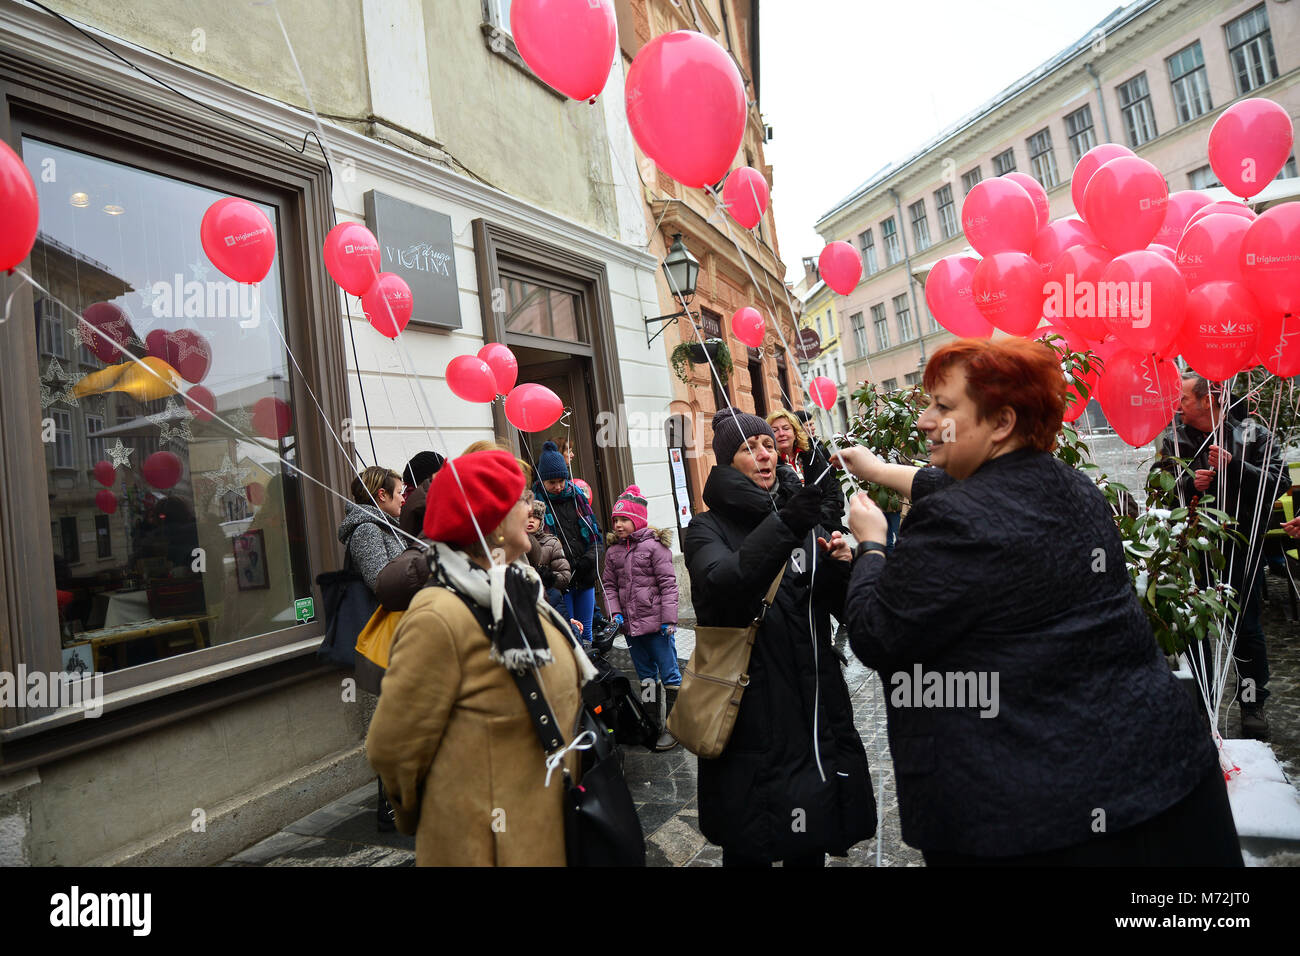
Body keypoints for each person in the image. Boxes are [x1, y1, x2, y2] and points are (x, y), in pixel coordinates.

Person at [837, 337, 1241, 866]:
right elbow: (965, 488)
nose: (924, 421)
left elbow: (876, 633)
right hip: (1166, 779)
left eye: (943, 407)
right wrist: (874, 468)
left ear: (1001, 422)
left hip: (1039, 815)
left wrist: (870, 545)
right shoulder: (1073, 487)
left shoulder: (955, 521)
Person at [366, 449, 597, 865]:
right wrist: (444, 815)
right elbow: (393, 747)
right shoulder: (439, 615)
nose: (530, 506)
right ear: (491, 521)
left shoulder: (517, 585)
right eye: (519, 498)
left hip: (550, 827)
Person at [682, 407, 876, 867]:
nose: (765, 454)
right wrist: (785, 525)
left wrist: (847, 566)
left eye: (769, 444)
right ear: (729, 463)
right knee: (751, 837)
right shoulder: (706, 528)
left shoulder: (802, 520)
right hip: (750, 709)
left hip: (812, 707)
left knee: (809, 836)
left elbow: (836, 607)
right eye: (750, 448)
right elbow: (723, 585)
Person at [1153, 372, 1287, 740]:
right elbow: (1157, 488)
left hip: (1241, 547)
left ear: (1209, 399)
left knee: (1245, 629)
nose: (1176, 405)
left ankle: (1251, 705)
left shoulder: (1252, 433)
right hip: (1192, 549)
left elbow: (1280, 481)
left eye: (1183, 398)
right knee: (1194, 630)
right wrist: (1185, 482)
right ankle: (1202, 706)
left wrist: (1235, 466)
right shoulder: (1174, 438)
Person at [602, 484, 680, 752]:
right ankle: (650, 724)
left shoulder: (655, 548)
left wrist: (669, 620)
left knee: (669, 675)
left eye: (624, 519)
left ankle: (673, 726)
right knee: (646, 677)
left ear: (637, 520)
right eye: (616, 520)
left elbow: (668, 585)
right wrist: (615, 613)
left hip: (658, 627)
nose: (619, 524)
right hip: (632, 629)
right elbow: (609, 586)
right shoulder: (613, 552)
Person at [534, 440, 602, 645]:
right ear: (542, 481)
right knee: (569, 634)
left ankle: (592, 673)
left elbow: (595, 536)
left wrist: (589, 559)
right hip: (559, 581)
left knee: (587, 631)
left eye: (561, 481)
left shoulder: (577, 496)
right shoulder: (536, 505)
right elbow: (537, 545)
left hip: (584, 576)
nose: (557, 486)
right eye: (551, 482)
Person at [769, 408, 847, 534]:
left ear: (795, 432)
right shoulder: (769, 465)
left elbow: (831, 486)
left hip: (826, 528)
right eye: (775, 431)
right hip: (795, 535)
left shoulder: (813, 455)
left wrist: (822, 515)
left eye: (786, 428)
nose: (781, 433)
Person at [338, 465, 408, 595]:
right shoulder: (367, 530)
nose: (403, 499)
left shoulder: (388, 526)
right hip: (385, 613)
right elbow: (381, 583)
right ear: (382, 495)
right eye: (399, 493)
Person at [526, 497, 571, 616]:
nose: (531, 520)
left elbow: (565, 577)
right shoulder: (514, 543)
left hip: (551, 601)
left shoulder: (552, 543)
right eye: (528, 517)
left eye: (536, 517)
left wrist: (547, 576)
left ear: (541, 521)